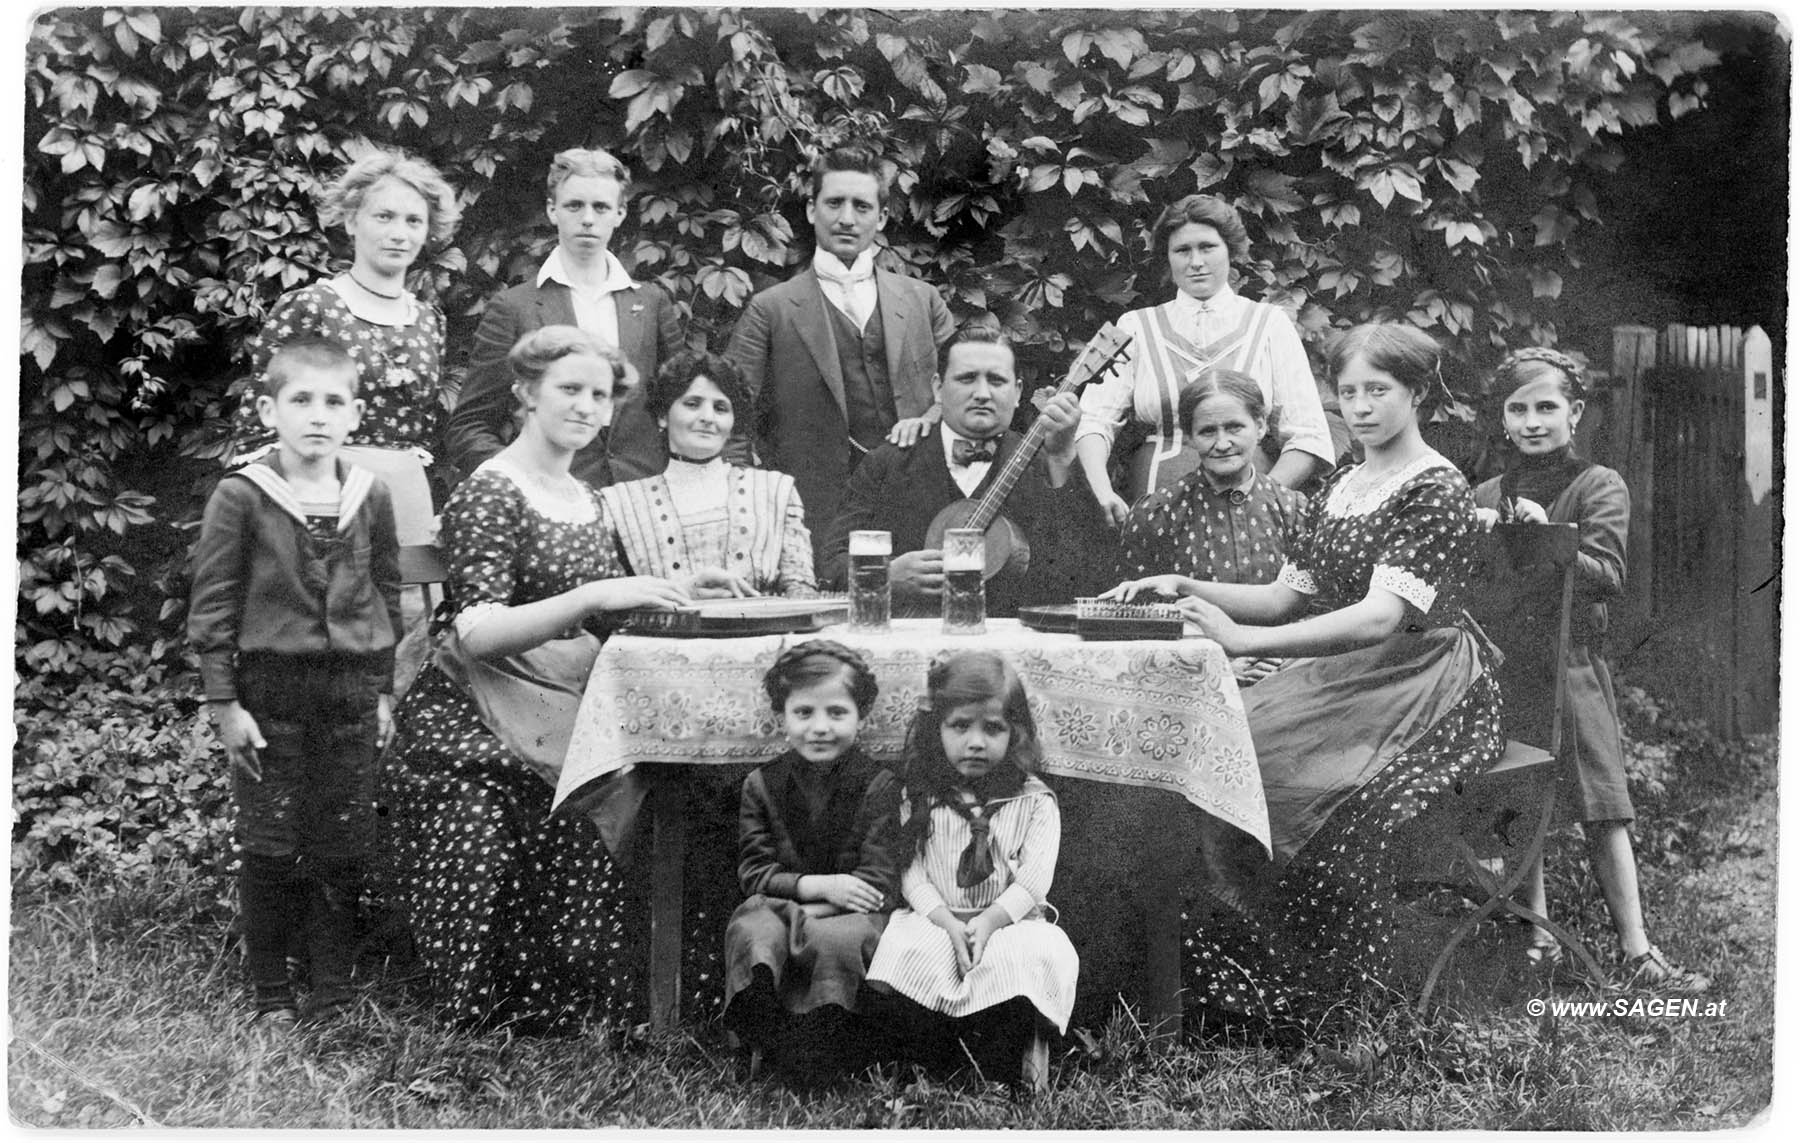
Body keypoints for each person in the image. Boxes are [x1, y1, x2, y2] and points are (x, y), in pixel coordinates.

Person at [1105, 322, 1501, 1033]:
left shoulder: (1435, 486)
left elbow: (1382, 618)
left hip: (1423, 678)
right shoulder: (1346, 481)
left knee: (1294, 780)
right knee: (1216, 745)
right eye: (1348, 392)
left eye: (1378, 390)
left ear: (1415, 393)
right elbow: (1291, 594)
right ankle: (1238, 985)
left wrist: (1246, 641)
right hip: (1348, 675)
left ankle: (1335, 997)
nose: (1361, 407)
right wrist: (1183, 581)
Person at [384, 325, 689, 1031]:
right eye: (569, 389)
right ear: (525, 394)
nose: (586, 406)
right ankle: (500, 991)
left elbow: (609, 605)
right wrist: (586, 602)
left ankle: (606, 983)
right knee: (507, 801)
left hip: (558, 700)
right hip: (472, 707)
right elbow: (478, 631)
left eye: (600, 395)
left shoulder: (585, 495)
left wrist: (677, 586)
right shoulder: (494, 488)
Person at [1472, 347, 1708, 991]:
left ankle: (1637, 949)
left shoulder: (1599, 484)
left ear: (1574, 412)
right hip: (1504, 666)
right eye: (1518, 409)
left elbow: (1608, 577)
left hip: (1570, 665)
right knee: (1521, 803)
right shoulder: (1487, 492)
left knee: (1602, 805)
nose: (1532, 422)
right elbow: (1473, 582)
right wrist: (1482, 535)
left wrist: (1552, 534)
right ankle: (1536, 941)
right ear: (1503, 417)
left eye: (1546, 408)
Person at [189, 337, 403, 1026]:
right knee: (271, 841)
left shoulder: (370, 495)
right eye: (301, 399)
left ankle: (332, 984)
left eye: (334, 401)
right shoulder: (243, 494)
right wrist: (225, 702)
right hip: (270, 694)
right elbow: (214, 606)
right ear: (268, 407)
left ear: (355, 413)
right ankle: (271, 990)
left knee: (341, 841)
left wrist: (380, 690)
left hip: (347, 696)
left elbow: (386, 595)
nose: (318, 415)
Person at [726, 140, 956, 561]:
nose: (846, 218)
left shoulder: (923, 301)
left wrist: (928, 417)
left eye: (862, 206)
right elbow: (731, 418)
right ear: (812, 210)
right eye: (834, 203)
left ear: (882, 216)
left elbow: (961, 389)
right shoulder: (770, 309)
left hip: (917, 503)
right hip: (815, 513)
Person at [864, 651, 1078, 1087]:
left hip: (1007, 921)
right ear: (937, 729)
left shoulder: (1034, 801)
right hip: (936, 917)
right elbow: (912, 872)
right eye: (960, 726)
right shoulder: (920, 795)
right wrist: (944, 921)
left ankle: (1002, 1062)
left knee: (1029, 955)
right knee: (910, 952)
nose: (976, 741)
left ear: (1015, 733)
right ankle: (930, 1060)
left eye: (993, 728)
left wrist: (990, 921)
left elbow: (1035, 879)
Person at [234, 150, 459, 547]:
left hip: (405, 499)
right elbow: (259, 427)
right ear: (353, 220)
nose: (399, 233)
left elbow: (423, 430)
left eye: (413, 221)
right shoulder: (311, 307)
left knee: (408, 604)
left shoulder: (429, 320)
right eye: (384, 216)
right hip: (321, 498)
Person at [1074, 194, 1333, 524]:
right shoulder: (1136, 327)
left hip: (1252, 512)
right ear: (1167, 258)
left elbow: (1309, 434)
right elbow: (1094, 421)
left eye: (1207, 247)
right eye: (1182, 250)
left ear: (1231, 250)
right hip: (1155, 509)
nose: (1196, 261)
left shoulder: (1269, 324)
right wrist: (1102, 490)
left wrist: (1259, 498)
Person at [445, 147, 687, 489]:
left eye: (601, 207)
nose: (588, 218)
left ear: (619, 214)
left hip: (644, 502)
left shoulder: (651, 303)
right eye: (574, 205)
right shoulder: (514, 307)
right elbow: (469, 425)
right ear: (552, 210)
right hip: (549, 508)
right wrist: (522, 487)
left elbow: (682, 404)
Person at [817, 320, 1089, 616]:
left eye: (997, 381)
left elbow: (1085, 577)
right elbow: (831, 565)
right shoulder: (886, 463)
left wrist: (1062, 458)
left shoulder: (1047, 463)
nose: (982, 393)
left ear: (1018, 392)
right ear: (937, 387)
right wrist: (883, 575)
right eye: (967, 378)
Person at [722, 641, 901, 1071]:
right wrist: (817, 888)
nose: (820, 727)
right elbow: (755, 872)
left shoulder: (879, 785)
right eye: (804, 713)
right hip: (783, 902)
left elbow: (879, 879)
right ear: (781, 717)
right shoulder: (761, 785)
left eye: (837, 713)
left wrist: (811, 914)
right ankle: (764, 1037)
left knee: (837, 939)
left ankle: (829, 1046)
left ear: (862, 716)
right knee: (755, 929)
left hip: (854, 912)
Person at [1113, 368, 1309, 685]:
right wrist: (1213, 668)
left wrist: (1284, 661)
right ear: (1189, 436)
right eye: (1207, 431)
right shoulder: (1155, 514)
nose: (1222, 443)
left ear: (1259, 426)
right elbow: (1135, 624)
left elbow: (1321, 608)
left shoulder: (1295, 511)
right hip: (1193, 685)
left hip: (1286, 680)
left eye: (1234, 427)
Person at [599, 351, 816, 597]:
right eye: (692, 404)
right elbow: (606, 604)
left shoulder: (776, 491)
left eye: (721, 408)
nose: (707, 418)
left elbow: (801, 592)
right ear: (662, 415)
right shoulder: (620, 503)